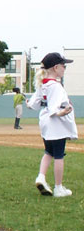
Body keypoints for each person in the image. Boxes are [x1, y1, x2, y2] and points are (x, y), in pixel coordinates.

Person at [27, 53, 77, 198]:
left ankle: (41, 177)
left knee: (48, 152)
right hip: (56, 125)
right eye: (63, 66)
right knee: (59, 155)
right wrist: (64, 112)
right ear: (56, 67)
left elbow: (34, 104)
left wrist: (28, 104)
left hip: (45, 124)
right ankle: (58, 188)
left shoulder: (43, 84)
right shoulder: (56, 86)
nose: (64, 69)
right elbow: (55, 109)